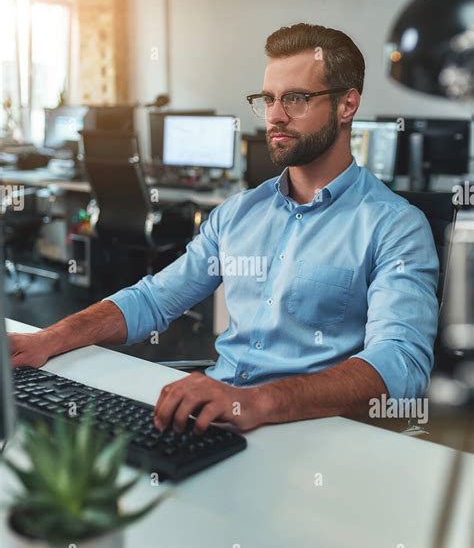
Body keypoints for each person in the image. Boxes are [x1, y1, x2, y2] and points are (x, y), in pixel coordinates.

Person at [8, 23, 439, 435]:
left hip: (310, 432)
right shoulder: (238, 213)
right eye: (267, 98)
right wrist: (49, 338)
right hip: (218, 415)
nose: (275, 116)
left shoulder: (395, 225)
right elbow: (153, 300)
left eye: (296, 99)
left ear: (347, 105)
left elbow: (401, 365)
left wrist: (259, 401)